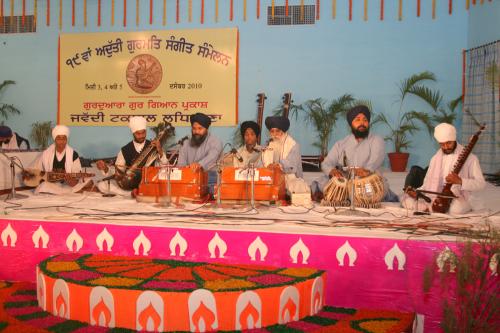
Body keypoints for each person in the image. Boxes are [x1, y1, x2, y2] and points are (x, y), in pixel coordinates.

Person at [311, 105, 398, 202]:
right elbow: (326, 163)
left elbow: (376, 159)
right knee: (322, 182)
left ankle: (343, 197)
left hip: (368, 183)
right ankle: (342, 196)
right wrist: (332, 171)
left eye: (365, 120)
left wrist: (366, 170)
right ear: (350, 124)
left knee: (370, 192)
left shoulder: (376, 140)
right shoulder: (341, 143)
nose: (362, 123)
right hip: (347, 183)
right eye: (358, 120)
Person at [401, 123, 486, 214]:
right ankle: (430, 207)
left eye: (448, 143)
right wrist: (418, 192)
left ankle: (430, 209)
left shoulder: (471, 158)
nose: (445, 147)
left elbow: (481, 184)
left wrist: (461, 181)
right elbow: (427, 183)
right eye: (442, 144)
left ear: (454, 139)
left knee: (455, 210)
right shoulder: (435, 159)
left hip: (458, 196)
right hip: (435, 196)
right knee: (407, 201)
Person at [96, 116, 166, 195]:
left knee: (164, 184)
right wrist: (105, 169)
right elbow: (118, 172)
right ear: (133, 133)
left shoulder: (154, 146)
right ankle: (132, 193)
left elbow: (166, 167)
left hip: (149, 182)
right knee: (102, 185)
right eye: (138, 133)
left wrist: (160, 150)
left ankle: (132, 193)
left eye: (143, 132)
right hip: (130, 184)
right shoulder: (125, 150)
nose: (141, 136)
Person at [27, 125, 91, 194]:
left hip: (67, 185)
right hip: (52, 184)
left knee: (87, 181)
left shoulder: (73, 154)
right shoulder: (46, 154)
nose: (62, 141)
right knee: (44, 186)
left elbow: (76, 179)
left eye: (64, 138)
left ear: (67, 139)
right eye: (59, 138)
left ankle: (61, 192)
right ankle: (65, 192)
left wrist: (70, 180)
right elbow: (32, 170)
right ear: (55, 139)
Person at [261, 116, 310, 195]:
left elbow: (292, 165)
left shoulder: (293, 144)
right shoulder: (268, 144)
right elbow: (263, 162)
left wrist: (278, 165)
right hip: (272, 179)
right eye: (272, 131)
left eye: (277, 131)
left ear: (282, 131)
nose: (274, 134)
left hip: (291, 181)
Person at [176, 113, 223, 194]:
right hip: (190, 183)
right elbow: (180, 165)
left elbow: (212, 157)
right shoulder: (186, 143)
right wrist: (186, 169)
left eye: (200, 128)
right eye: (194, 128)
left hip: (211, 183)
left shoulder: (215, 141)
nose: (196, 131)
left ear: (206, 129)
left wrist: (198, 164)